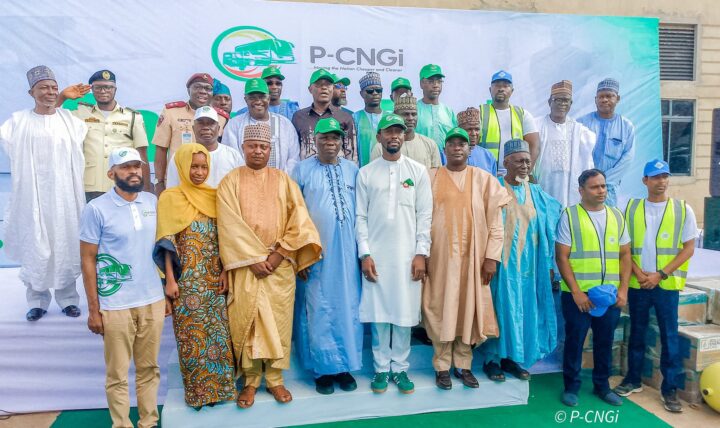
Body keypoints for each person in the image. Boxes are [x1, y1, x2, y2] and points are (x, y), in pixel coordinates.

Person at [216, 124, 322, 408]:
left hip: (279, 266)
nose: (258, 151)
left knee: (277, 323)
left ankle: (275, 380)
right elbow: (229, 225)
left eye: (263, 147)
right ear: (243, 148)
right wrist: (253, 259)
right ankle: (250, 382)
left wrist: (276, 256)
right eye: (252, 146)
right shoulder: (230, 181)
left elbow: (299, 220)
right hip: (245, 266)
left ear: (270, 150)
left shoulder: (284, 180)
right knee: (248, 324)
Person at [79, 147, 166, 428]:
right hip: (115, 305)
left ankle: (148, 421)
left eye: (137, 167)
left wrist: (166, 292)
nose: (133, 172)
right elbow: (88, 259)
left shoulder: (152, 201)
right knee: (117, 374)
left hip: (152, 299)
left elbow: (161, 249)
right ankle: (121, 424)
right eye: (126, 167)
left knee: (149, 369)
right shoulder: (96, 209)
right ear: (111, 173)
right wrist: (94, 309)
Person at [422, 127, 511, 391]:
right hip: (439, 258)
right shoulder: (430, 178)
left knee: (467, 310)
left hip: (474, 260)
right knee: (442, 308)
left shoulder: (484, 180)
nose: (458, 147)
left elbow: (496, 225)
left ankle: (463, 365)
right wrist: (421, 254)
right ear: (445, 149)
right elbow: (419, 219)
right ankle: (441, 367)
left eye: (462, 143)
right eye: (452, 143)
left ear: (469, 149)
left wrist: (491, 258)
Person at [0, 65, 87, 321]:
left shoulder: (71, 122)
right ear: (31, 92)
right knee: (35, 244)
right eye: (43, 88)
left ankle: (68, 299)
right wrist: (59, 100)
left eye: (54, 88)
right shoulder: (17, 121)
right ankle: (37, 301)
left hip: (64, 197)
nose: (50, 92)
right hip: (32, 197)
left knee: (65, 242)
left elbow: (54, 116)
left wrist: (60, 101)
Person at [356, 113, 432, 394]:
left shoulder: (417, 171)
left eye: (398, 131)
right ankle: (380, 370)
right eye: (388, 132)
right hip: (376, 256)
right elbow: (360, 217)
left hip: (407, 256)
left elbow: (425, 215)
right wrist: (365, 253)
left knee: (402, 314)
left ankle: (400, 369)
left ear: (403, 135)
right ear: (379, 137)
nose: (393, 136)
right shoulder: (366, 172)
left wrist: (421, 253)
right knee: (379, 315)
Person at [613, 160, 698, 413]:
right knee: (636, 333)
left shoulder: (683, 210)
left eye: (665, 176)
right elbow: (625, 248)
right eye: (655, 177)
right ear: (645, 181)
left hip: (666, 285)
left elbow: (688, 248)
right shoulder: (631, 208)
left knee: (669, 336)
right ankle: (633, 379)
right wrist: (639, 274)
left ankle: (669, 389)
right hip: (640, 284)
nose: (661, 182)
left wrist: (660, 274)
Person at [154, 144, 235, 409]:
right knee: (191, 337)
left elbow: (226, 237)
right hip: (186, 282)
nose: (199, 172)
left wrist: (225, 270)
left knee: (218, 336)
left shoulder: (214, 195)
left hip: (214, 279)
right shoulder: (170, 197)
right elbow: (166, 241)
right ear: (182, 166)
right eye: (194, 166)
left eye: (203, 167)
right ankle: (199, 394)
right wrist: (170, 280)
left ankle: (220, 391)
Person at [291, 118, 364, 395]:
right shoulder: (301, 171)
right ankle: (322, 370)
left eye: (335, 138)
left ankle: (344, 367)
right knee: (318, 309)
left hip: (347, 256)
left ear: (341, 142)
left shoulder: (353, 171)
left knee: (348, 307)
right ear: (315, 140)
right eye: (324, 138)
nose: (330, 143)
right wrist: (299, 255)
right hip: (315, 255)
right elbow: (293, 216)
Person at [479, 139, 561, 383]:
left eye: (528, 161)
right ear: (506, 163)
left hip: (529, 267)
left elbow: (552, 224)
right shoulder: (494, 189)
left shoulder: (536, 193)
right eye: (519, 161)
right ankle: (492, 359)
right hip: (501, 267)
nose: (525, 165)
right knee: (499, 309)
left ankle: (513, 359)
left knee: (524, 309)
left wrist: (548, 265)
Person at [555, 169, 631, 407]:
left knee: (604, 342)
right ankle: (571, 387)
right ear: (581, 190)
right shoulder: (570, 215)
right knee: (575, 341)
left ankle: (602, 386)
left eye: (603, 186)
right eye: (595, 187)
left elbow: (625, 254)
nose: (601, 191)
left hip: (608, 296)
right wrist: (576, 292)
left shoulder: (617, 216)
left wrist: (623, 290)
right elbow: (562, 257)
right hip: (579, 296)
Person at [58, 70, 152, 201]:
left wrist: (146, 190)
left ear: (115, 89)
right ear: (92, 89)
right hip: (90, 186)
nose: (103, 91)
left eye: (108, 87)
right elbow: (51, 117)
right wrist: (62, 97)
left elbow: (142, 154)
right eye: (98, 87)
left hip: (122, 185)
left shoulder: (132, 117)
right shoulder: (81, 113)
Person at [152, 73, 229, 195]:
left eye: (207, 88)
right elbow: (161, 149)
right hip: (177, 181)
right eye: (197, 87)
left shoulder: (220, 117)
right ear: (189, 90)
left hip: (210, 184)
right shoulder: (171, 112)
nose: (203, 91)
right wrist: (159, 182)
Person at [535, 80, 596, 208]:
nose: (562, 104)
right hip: (543, 185)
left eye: (566, 100)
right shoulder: (537, 126)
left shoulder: (580, 132)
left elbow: (588, 163)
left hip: (569, 190)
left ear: (571, 103)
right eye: (558, 100)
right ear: (549, 102)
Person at [577, 78, 635, 207]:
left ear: (617, 98)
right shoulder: (581, 124)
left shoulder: (626, 127)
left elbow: (627, 158)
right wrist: (587, 181)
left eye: (609, 96)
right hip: (583, 187)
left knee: (608, 222)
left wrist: (603, 182)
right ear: (595, 99)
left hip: (609, 188)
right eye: (601, 96)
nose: (604, 100)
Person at [223, 78, 299, 174]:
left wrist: (283, 183)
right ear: (245, 100)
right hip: (245, 184)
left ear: (268, 98)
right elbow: (230, 159)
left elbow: (293, 159)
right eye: (252, 97)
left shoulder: (285, 124)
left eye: (262, 97)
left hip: (280, 185)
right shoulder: (233, 125)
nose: (258, 101)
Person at [479, 70, 540, 175]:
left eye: (506, 86)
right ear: (490, 90)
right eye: (497, 85)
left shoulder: (523, 115)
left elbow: (534, 146)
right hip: (485, 174)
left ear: (512, 90)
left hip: (514, 177)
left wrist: (524, 175)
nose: (501, 89)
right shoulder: (480, 112)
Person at [166, 106, 243, 188]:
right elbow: (172, 191)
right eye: (201, 123)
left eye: (211, 123)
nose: (206, 127)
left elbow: (241, 189)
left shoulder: (233, 156)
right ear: (193, 128)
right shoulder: (180, 156)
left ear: (218, 129)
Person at [292, 68, 357, 163]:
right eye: (319, 84)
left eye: (328, 84)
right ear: (310, 89)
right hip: (307, 175)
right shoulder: (299, 116)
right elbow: (294, 152)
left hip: (337, 175)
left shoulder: (345, 117)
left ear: (332, 88)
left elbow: (351, 154)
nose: (324, 88)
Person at [370, 94, 441, 169]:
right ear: (395, 115)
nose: (410, 118)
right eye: (406, 114)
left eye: (414, 114)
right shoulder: (380, 148)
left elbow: (437, 176)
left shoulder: (430, 144)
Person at [415, 64, 457, 152]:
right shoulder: (414, 110)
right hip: (421, 160)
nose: (435, 85)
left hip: (446, 162)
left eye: (439, 81)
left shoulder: (448, 111)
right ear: (421, 83)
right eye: (431, 81)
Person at [354, 72, 387, 166]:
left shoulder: (390, 118)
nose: (375, 93)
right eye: (370, 91)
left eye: (378, 90)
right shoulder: (354, 118)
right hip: (362, 172)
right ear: (361, 94)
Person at [457, 107, 497, 175]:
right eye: (469, 129)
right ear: (460, 130)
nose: (473, 134)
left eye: (477, 129)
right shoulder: (448, 155)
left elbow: (493, 183)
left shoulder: (488, 156)